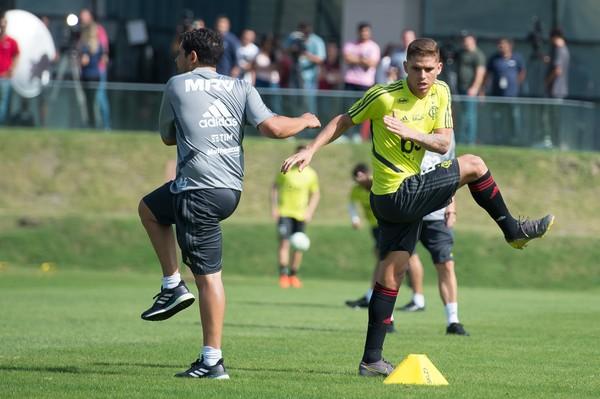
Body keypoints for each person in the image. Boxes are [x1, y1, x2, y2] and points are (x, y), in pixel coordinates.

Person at [281, 37, 554, 377]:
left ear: (438, 68)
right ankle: (512, 230)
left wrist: (410, 132)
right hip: (393, 194)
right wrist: (311, 151)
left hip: (404, 196)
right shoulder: (383, 96)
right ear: (404, 67)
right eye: (416, 69)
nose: (423, 76)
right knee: (474, 164)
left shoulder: (441, 92)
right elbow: (343, 120)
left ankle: (371, 359)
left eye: (429, 69)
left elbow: (442, 143)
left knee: (393, 273)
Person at [138, 28, 320, 379]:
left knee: (208, 279)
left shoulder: (176, 85)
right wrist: (305, 121)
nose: (177, 60)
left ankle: (211, 361)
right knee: (150, 208)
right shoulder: (241, 86)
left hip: (197, 191)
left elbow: (166, 137)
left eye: (180, 54)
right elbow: (273, 129)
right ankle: (171, 284)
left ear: (191, 57)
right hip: (228, 192)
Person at [396, 139, 469, 336]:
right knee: (395, 263)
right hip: (408, 208)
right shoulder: (408, 120)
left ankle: (453, 320)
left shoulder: (446, 132)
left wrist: (451, 206)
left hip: (436, 214)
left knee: (446, 264)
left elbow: (451, 171)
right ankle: (387, 319)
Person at [344, 163, 396, 333]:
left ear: (367, 174)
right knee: (381, 260)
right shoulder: (356, 190)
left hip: (386, 225)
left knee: (386, 262)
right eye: (355, 178)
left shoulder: (378, 182)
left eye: (360, 176)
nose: (358, 180)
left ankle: (383, 309)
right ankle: (371, 295)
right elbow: (351, 205)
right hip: (375, 227)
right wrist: (354, 218)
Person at [271, 146, 320, 288]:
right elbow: (274, 187)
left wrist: (310, 211)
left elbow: (316, 194)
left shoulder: (311, 174)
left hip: (300, 215)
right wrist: (274, 207)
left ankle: (293, 275)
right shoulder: (286, 170)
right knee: (284, 243)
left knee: (299, 245)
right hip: (285, 212)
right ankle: (283, 275)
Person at [284, 22, 325, 114]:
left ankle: (310, 127)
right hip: (294, 76)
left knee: (308, 104)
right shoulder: (293, 38)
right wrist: (292, 49)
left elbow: (320, 59)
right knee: (293, 103)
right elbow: (284, 50)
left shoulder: (317, 41)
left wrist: (305, 53)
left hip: (309, 78)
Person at [80, 9, 110, 130]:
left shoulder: (98, 30)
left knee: (100, 98)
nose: (82, 20)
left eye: (84, 17)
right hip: (88, 72)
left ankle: (106, 126)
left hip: (98, 71)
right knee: (89, 99)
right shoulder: (83, 33)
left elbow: (104, 52)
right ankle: (92, 125)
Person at [455, 33, 485, 145]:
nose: (465, 42)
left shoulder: (478, 54)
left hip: (470, 90)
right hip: (460, 89)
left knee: (470, 116)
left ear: (473, 40)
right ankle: (461, 139)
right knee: (462, 115)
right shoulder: (462, 53)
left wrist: (475, 88)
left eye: (467, 40)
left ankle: (469, 140)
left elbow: (480, 72)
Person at [78, 18, 103, 129]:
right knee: (92, 101)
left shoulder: (87, 46)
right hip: (93, 76)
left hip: (89, 76)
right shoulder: (96, 45)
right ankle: (94, 123)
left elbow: (84, 61)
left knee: (89, 101)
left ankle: (92, 124)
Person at [343, 22, 380, 92]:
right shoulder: (350, 45)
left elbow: (372, 64)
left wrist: (354, 58)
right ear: (358, 32)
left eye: (366, 31)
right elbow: (346, 59)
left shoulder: (374, 47)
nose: (364, 33)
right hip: (350, 81)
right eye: (362, 31)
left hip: (366, 83)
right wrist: (363, 60)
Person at [0, 11, 19, 125]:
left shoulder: (11, 41)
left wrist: (13, 68)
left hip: (5, 77)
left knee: (3, 102)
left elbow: (17, 54)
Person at [545, 28, 569, 99]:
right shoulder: (565, 49)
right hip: (560, 90)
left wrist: (547, 81)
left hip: (556, 90)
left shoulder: (559, 49)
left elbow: (557, 71)